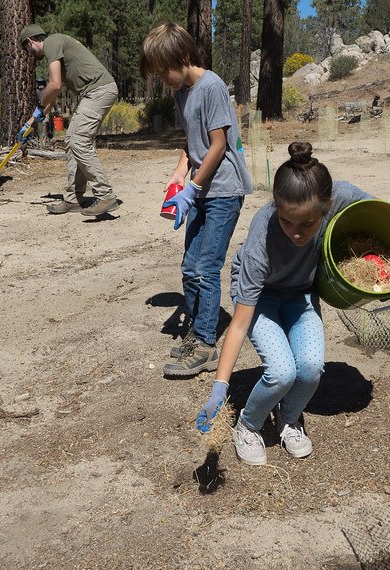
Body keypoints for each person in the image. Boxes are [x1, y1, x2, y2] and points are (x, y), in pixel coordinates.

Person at [196, 142, 373, 465]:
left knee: (309, 369)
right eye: (287, 222)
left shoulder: (339, 197)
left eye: (308, 224)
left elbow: (379, 216)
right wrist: (220, 389)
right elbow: (238, 324)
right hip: (261, 297)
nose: (296, 233)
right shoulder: (260, 243)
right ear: (276, 206)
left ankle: (289, 418)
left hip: (300, 293)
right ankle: (248, 425)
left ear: (327, 206)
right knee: (281, 372)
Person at [140, 22, 253, 378]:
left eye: (164, 71)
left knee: (206, 267)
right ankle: (197, 330)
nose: (163, 79)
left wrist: (192, 188)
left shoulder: (212, 87)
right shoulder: (182, 92)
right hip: (201, 189)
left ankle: (204, 343)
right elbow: (192, 141)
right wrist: (179, 172)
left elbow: (219, 145)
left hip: (223, 190)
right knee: (189, 267)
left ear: (183, 57)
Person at [20, 24, 121, 217]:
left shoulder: (51, 43)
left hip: (99, 91)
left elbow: (54, 84)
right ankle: (73, 199)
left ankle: (105, 194)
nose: (29, 54)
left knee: (79, 141)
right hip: (94, 93)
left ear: (30, 42)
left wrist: (39, 108)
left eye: (26, 49)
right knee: (72, 140)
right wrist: (31, 122)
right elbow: (54, 93)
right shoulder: (57, 48)